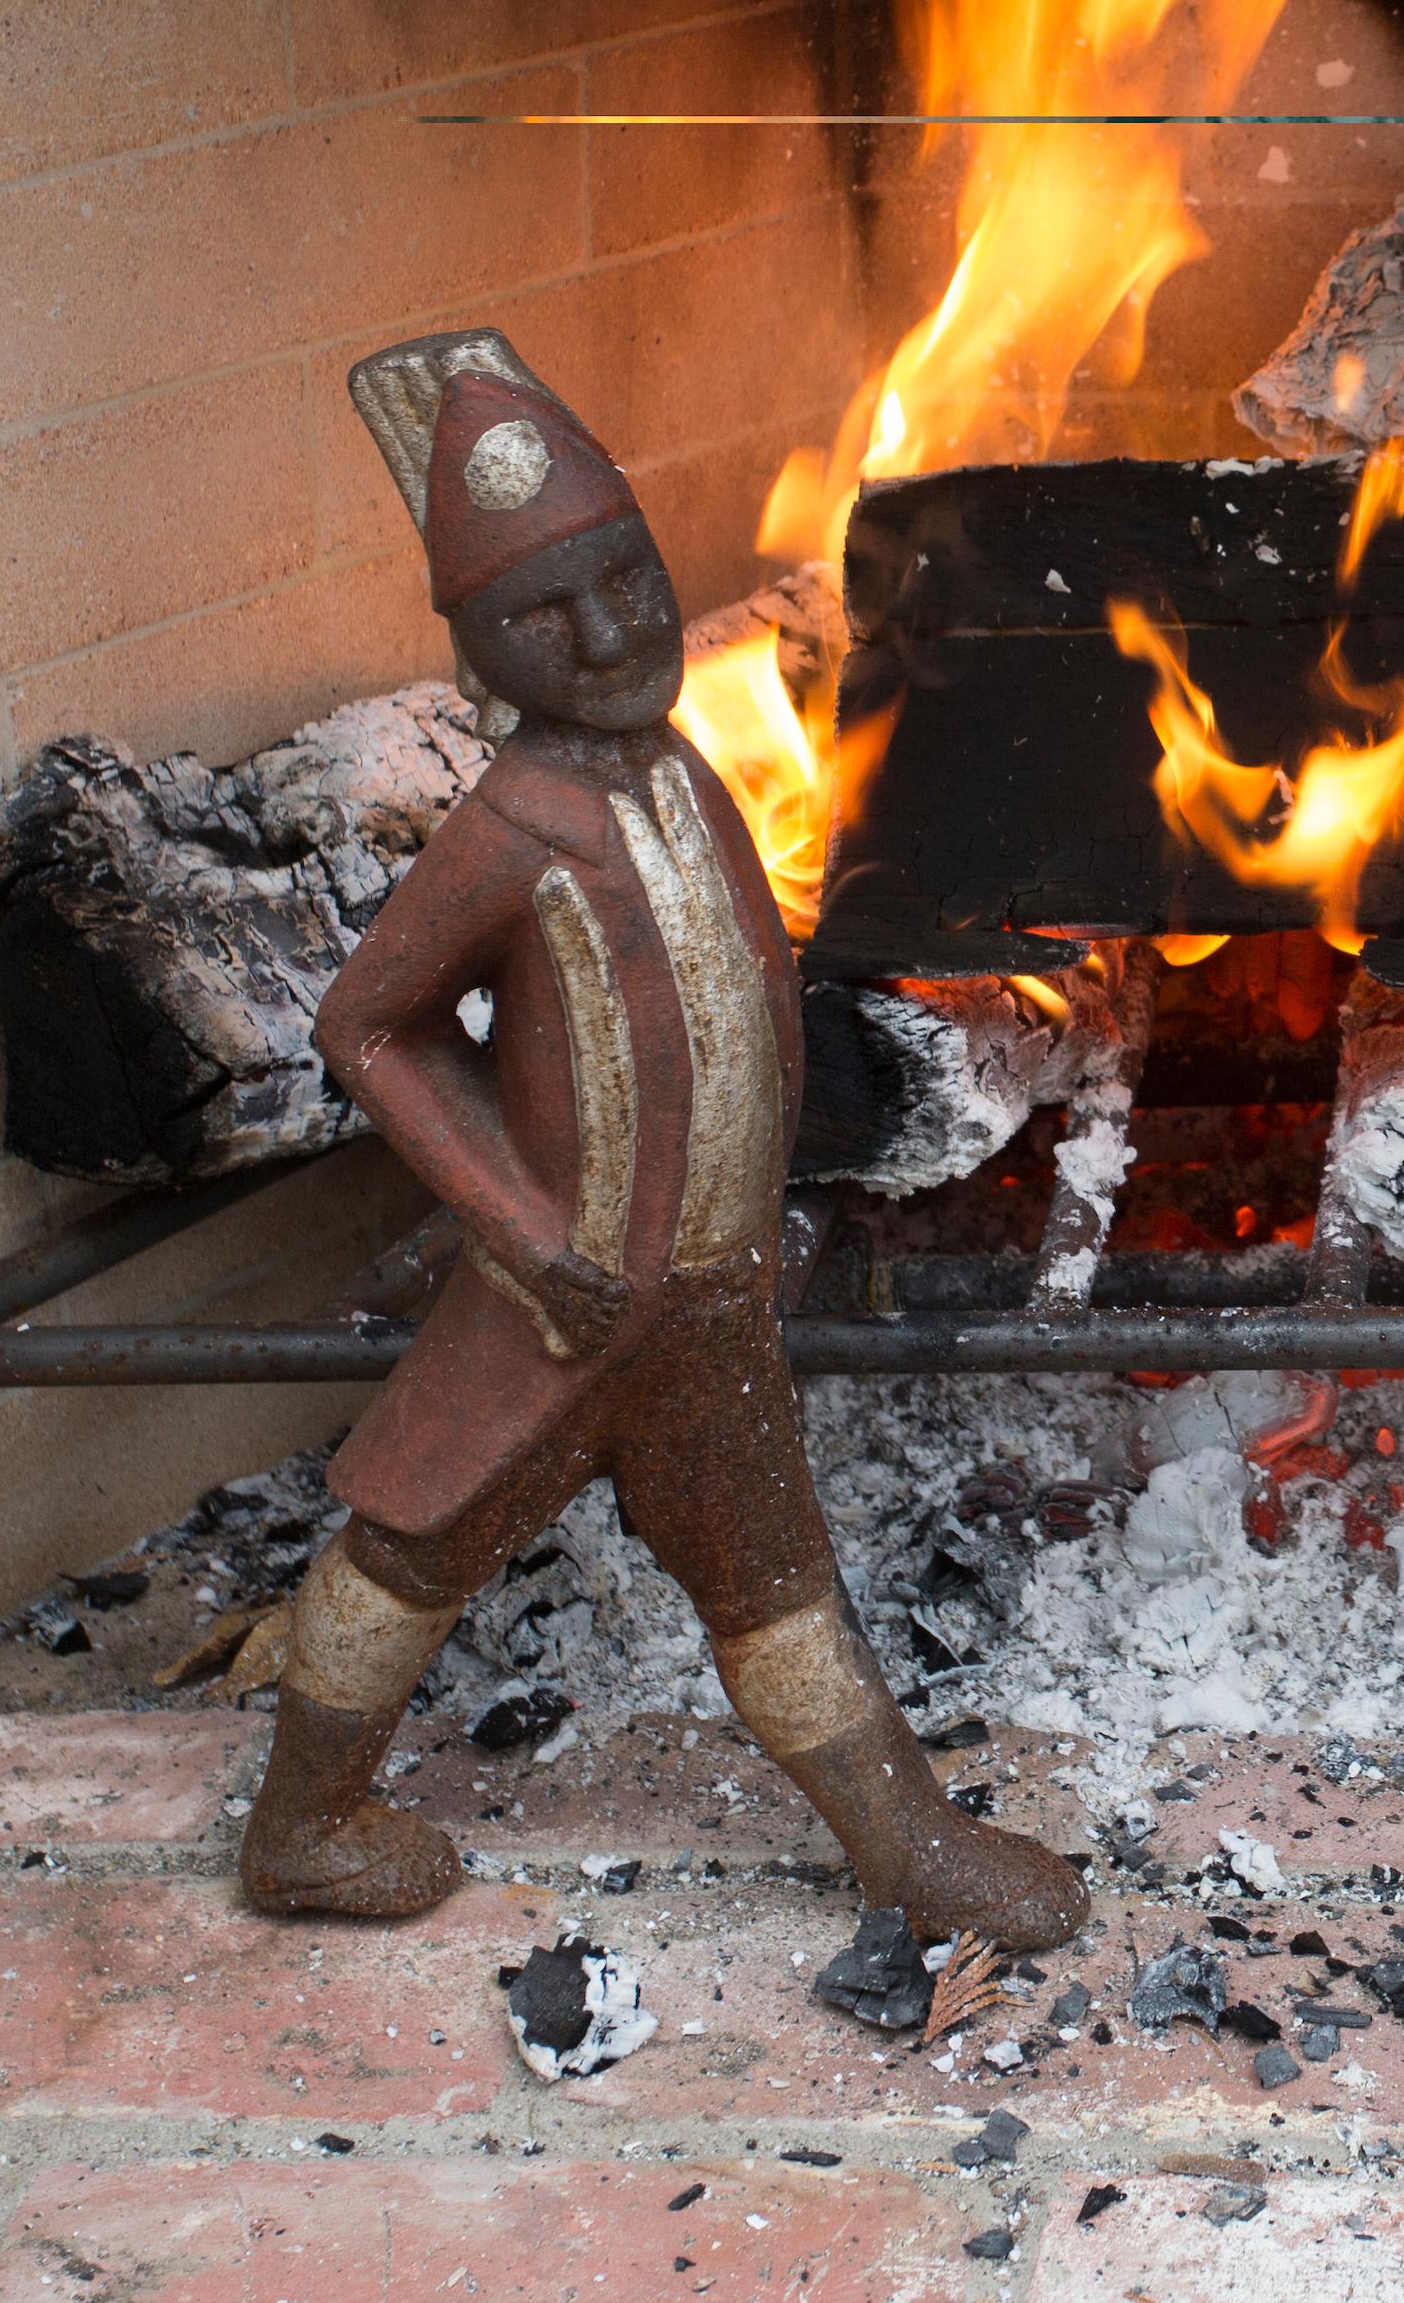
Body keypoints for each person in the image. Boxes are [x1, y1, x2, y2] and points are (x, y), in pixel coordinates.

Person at [231, 329, 1083, 1952]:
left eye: (627, 578)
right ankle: (306, 1822)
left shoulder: (687, 776)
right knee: (410, 1547)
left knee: (777, 1580)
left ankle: (899, 1841)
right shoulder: (509, 830)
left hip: (701, 1304)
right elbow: (366, 1026)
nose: (613, 634)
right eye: (547, 615)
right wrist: (522, 1229)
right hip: (561, 1302)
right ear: (481, 648)